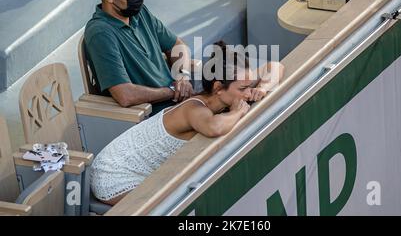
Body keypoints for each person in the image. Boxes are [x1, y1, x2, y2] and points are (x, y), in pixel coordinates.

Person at [90, 41, 285, 205]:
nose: (248, 93)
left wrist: (264, 87)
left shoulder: (231, 89)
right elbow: (214, 127)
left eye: (249, 87)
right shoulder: (194, 109)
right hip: (115, 174)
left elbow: (275, 66)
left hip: (145, 172)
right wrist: (237, 112)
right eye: (243, 88)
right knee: (173, 204)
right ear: (218, 87)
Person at [84, 0, 194, 115]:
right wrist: (172, 91)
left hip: (179, 103)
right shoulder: (101, 33)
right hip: (152, 115)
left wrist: (182, 76)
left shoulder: (140, 13)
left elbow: (177, 44)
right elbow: (125, 95)